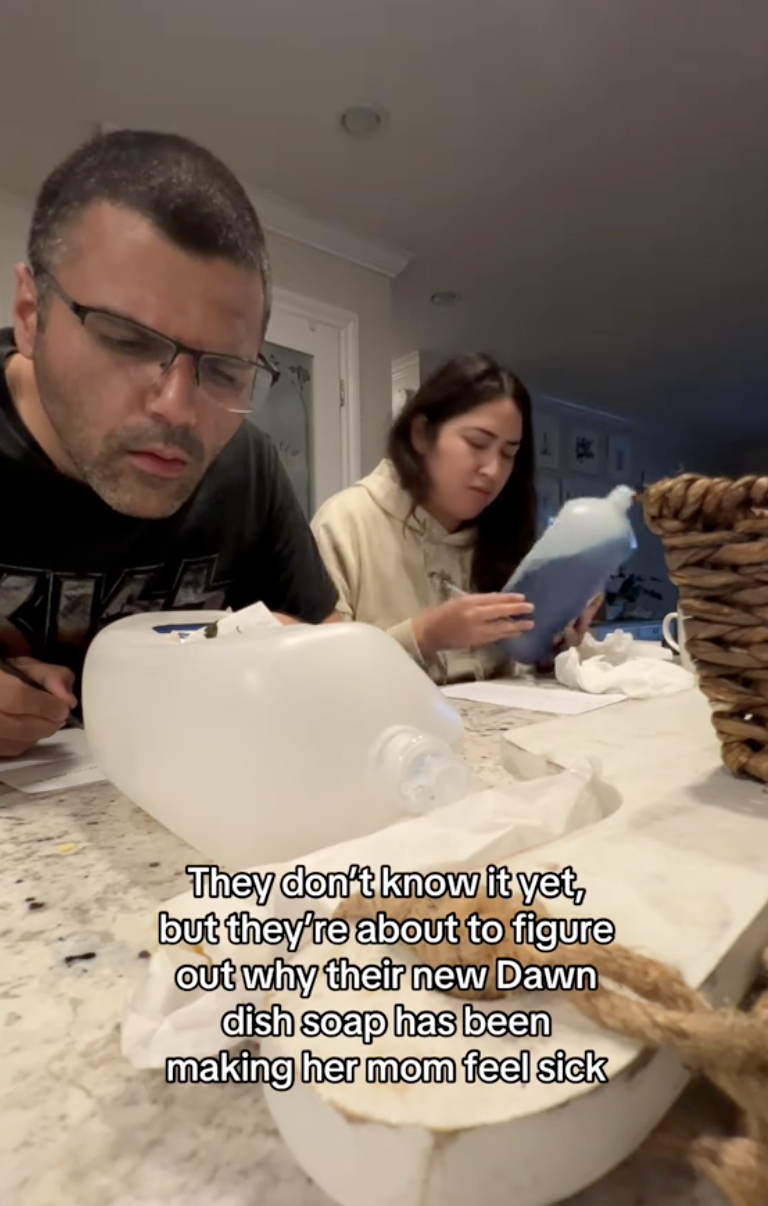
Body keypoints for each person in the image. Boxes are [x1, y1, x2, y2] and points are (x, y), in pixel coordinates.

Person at [0, 129, 340, 757]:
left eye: (225, 371)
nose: (179, 409)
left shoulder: (246, 467)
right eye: (127, 341)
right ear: (30, 313)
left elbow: (325, 640)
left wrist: (307, 660)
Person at [311, 353, 600, 684]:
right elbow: (321, 677)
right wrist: (424, 635)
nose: (492, 471)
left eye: (508, 454)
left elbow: (516, 674)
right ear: (421, 434)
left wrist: (549, 651)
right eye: (477, 443)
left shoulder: (506, 534)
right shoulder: (345, 523)